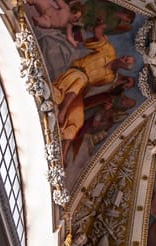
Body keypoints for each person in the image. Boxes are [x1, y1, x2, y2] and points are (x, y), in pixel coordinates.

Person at [52, 19, 135, 163]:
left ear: (124, 67)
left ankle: (63, 154)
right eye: (126, 56)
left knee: (78, 119)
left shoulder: (110, 78)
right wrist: (100, 26)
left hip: (79, 89)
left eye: (126, 61)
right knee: (81, 80)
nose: (124, 57)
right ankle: (63, 111)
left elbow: (93, 91)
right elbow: (98, 34)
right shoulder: (109, 51)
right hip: (74, 73)